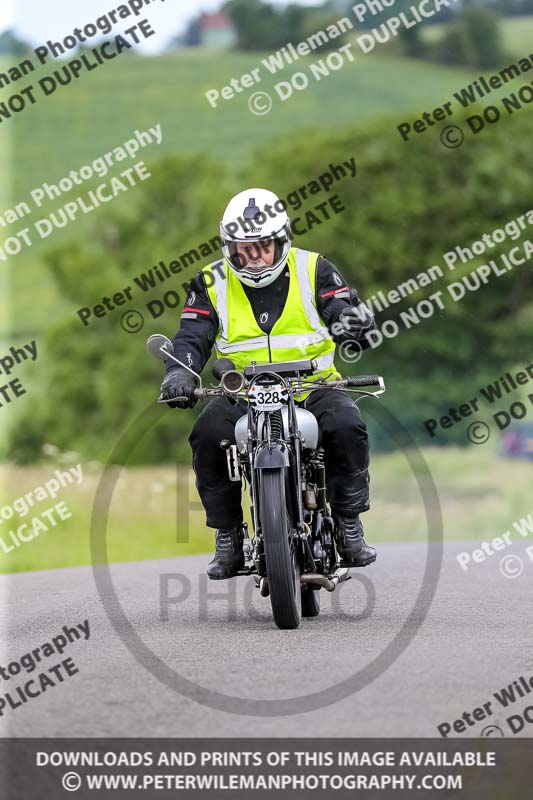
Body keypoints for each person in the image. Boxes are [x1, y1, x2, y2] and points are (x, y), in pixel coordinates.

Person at [160, 188, 377, 579]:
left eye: (262, 247)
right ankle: (227, 535)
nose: (253, 258)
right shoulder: (210, 281)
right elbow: (192, 335)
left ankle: (348, 524)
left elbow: (338, 308)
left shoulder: (315, 269)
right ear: (229, 247)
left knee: (347, 425)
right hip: (243, 390)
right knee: (207, 433)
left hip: (313, 386)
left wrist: (353, 325)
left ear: (282, 241)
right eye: (243, 249)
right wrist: (179, 372)